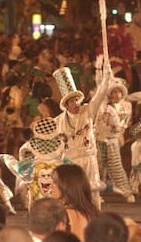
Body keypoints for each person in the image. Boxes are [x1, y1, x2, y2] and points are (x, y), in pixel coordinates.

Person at [53, 60, 112, 209]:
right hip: (70, 161)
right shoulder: (58, 121)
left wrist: (106, 78)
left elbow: (99, 95)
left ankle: (95, 218)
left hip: (88, 158)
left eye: (77, 99)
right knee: (71, 193)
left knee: (92, 190)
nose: (76, 103)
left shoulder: (88, 111)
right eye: (72, 101)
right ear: (66, 105)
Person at [95, 77, 134, 203]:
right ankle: (96, 194)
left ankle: (127, 192)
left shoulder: (126, 106)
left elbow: (125, 123)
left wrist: (119, 128)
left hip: (113, 139)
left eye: (119, 92)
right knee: (98, 167)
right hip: (100, 139)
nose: (117, 95)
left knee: (116, 166)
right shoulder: (102, 106)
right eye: (114, 92)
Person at [51, 164, 100, 241]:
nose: (51, 186)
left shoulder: (62, 214)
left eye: (55, 182)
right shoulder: (93, 212)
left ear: (66, 185)